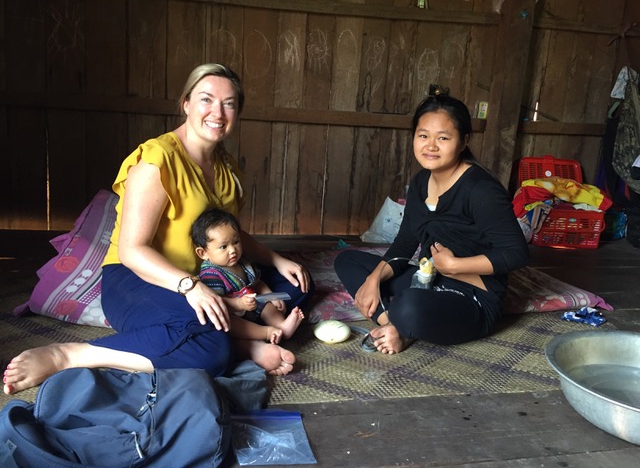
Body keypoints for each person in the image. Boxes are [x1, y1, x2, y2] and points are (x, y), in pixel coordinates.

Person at [3, 63, 314, 395]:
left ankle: (230, 333)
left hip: (207, 275)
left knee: (298, 285)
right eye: (206, 100)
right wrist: (190, 286)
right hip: (137, 280)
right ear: (186, 104)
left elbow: (227, 239)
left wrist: (278, 260)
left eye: (229, 104)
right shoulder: (157, 160)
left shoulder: (227, 168)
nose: (217, 113)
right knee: (211, 350)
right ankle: (73, 355)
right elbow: (132, 250)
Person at [334, 95, 529, 354]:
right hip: (428, 280)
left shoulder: (481, 190)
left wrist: (456, 266)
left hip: (473, 298)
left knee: (409, 306)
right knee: (348, 262)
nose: (431, 146)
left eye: (443, 138)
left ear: (464, 141)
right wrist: (373, 279)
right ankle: (393, 326)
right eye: (423, 136)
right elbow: (405, 244)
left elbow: (517, 253)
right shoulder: (419, 183)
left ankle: (403, 324)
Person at [192, 207, 305, 344]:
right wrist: (239, 304)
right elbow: (218, 302)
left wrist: (271, 296)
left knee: (266, 304)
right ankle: (267, 333)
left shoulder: (243, 263)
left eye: (236, 242)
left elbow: (257, 283)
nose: (233, 250)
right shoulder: (211, 274)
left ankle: (282, 326)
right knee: (231, 323)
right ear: (203, 253)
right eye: (223, 247)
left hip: (251, 305)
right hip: (232, 312)